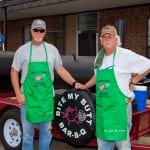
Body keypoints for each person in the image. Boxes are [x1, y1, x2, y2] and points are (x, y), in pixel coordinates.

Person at [75, 25, 150, 150]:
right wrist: (85, 85)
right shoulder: (99, 58)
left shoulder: (124, 55)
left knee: (123, 145)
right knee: (103, 144)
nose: (107, 39)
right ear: (101, 40)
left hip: (119, 108)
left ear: (116, 39)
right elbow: (97, 76)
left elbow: (148, 64)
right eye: (104, 37)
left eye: (110, 36)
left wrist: (134, 80)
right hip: (103, 108)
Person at [10, 19, 78, 150]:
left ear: (45, 32)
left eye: (41, 30)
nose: (38, 32)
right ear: (31, 31)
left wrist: (74, 82)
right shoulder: (22, 50)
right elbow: (14, 72)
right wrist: (18, 94)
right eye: (36, 29)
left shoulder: (52, 50)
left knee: (46, 133)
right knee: (28, 135)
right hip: (28, 98)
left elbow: (60, 69)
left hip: (46, 98)